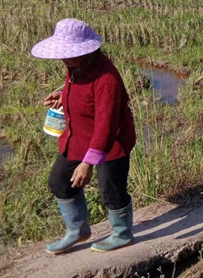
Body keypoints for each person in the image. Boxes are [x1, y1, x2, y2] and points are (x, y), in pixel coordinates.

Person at [31, 19, 136, 255]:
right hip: (79, 137)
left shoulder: (106, 79)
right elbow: (81, 91)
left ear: (87, 51)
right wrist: (63, 94)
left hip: (112, 142)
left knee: (111, 189)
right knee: (60, 181)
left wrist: (88, 163)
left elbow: (106, 126)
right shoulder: (76, 66)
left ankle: (122, 234)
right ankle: (77, 230)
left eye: (69, 53)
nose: (63, 58)